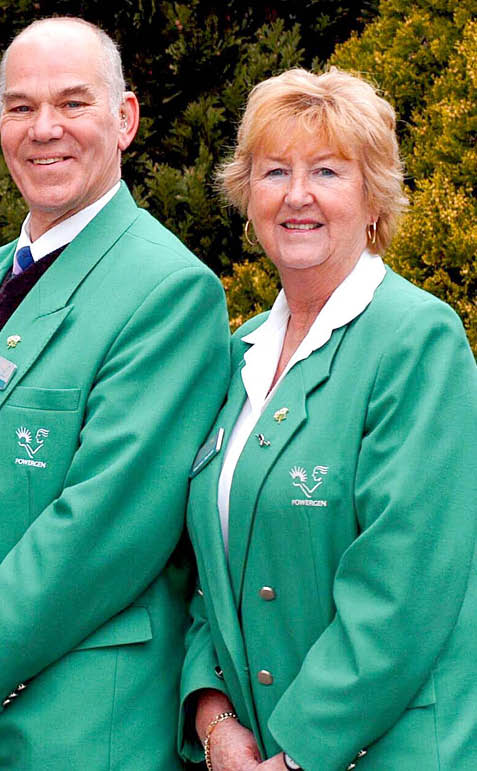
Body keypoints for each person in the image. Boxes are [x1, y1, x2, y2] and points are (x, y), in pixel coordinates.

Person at [0, 17, 230, 771]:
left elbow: (102, 529)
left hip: (82, 725)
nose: (43, 129)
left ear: (125, 120)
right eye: (20, 107)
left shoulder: (167, 290)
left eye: (73, 104)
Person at [180, 68, 477, 771]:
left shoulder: (416, 341)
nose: (296, 195)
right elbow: (201, 569)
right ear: (246, 194)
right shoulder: (239, 352)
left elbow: (403, 590)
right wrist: (214, 719)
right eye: (273, 170)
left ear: (372, 196)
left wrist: (297, 755)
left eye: (326, 171)